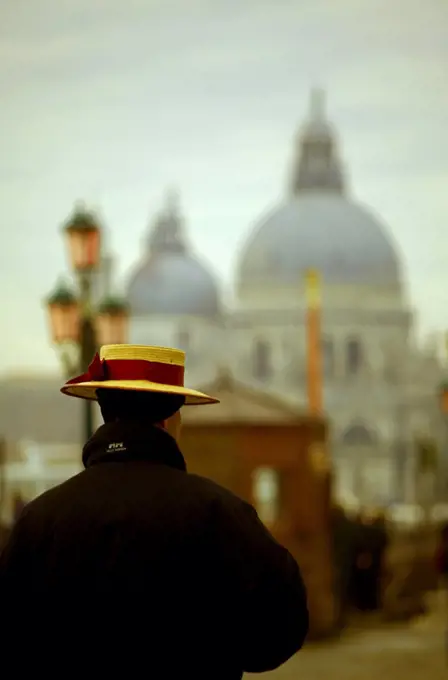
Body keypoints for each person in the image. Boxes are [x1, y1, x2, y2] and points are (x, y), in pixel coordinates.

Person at [0, 344, 308, 678]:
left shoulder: (40, 520)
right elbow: (280, 630)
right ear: (169, 418)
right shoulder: (220, 514)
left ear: (105, 413)